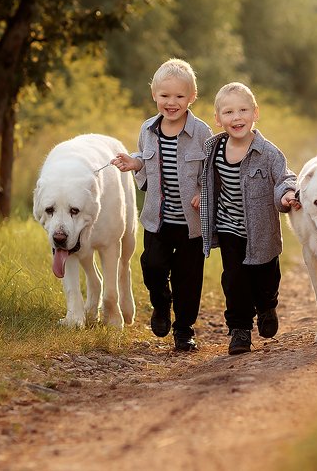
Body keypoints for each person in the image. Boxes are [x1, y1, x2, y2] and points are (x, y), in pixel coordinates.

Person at [112, 59, 212, 352]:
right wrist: (135, 162)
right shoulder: (148, 129)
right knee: (152, 265)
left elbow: (212, 170)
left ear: (192, 97)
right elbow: (146, 157)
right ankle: (161, 303)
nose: (172, 102)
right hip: (158, 218)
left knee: (188, 278)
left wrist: (203, 193)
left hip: (191, 223)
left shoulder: (202, 133)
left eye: (179, 96)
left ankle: (184, 330)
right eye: (165, 96)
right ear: (154, 94)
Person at [198, 82, 300, 355]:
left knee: (266, 278)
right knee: (234, 279)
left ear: (256, 113)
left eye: (243, 110)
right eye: (229, 112)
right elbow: (205, 177)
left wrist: (287, 196)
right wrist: (200, 194)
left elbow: (285, 177)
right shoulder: (214, 149)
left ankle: (267, 306)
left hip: (262, 230)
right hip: (229, 227)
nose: (237, 117)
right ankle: (240, 330)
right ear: (218, 119)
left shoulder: (268, 152)